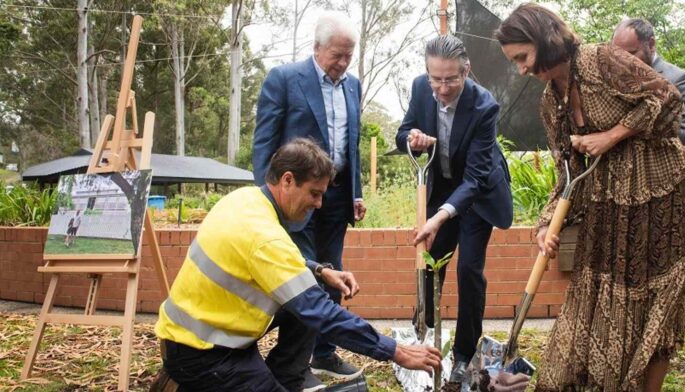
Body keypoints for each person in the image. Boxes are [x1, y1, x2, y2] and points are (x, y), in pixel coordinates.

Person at [496, 4, 685, 392]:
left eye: (523, 57)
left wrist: (613, 134)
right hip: (611, 210)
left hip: (662, 200)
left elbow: (668, 99)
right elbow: (567, 175)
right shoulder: (549, 103)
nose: (521, 69)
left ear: (543, 38)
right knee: (599, 309)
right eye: (515, 62)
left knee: (653, 306)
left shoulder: (602, 60)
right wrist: (545, 225)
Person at [154, 138, 441, 392]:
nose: (318, 204)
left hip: (208, 336)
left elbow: (269, 258)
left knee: (310, 287)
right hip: (203, 355)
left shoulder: (246, 200)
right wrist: (395, 351)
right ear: (288, 180)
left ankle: (285, 378)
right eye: (314, 193)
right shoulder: (265, 237)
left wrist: (320, 270)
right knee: (312, 304)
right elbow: (322, 313)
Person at [252, 11, 366, 389]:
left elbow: (353, 143)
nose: (343, 62)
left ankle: (325, 351)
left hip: (335, 199)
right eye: (337, 54)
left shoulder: (353, 86)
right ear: (317, 48)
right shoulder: (285, 80)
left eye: (349, 55)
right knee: (303, 278)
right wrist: (267, 200)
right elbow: (265, 141)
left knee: (331, 275)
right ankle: (293, 364)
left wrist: (356, 191)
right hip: (293, 196)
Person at [396, 35, 513, 384]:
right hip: (442, 187)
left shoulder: (484, 106)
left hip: (478, 196)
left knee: (469, 271)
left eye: (451, 79)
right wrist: (412, 138)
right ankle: (427, 340)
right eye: (436, 78)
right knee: (431, 265)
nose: (442, 88)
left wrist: (439, 216)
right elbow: (402, 133)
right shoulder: (420, 89)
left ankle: (463, 356)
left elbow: (475, 178)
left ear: (467, 71)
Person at [612, 18, 685, 157]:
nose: (623, 62)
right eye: (618, 55)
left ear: (651, 44)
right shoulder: (614, 82)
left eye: (631, 53)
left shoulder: (678, 80)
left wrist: (630, 129)